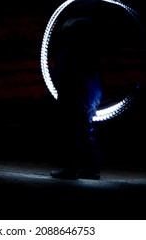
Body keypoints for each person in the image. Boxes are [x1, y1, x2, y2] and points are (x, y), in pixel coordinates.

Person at [50, 16, 104, 180]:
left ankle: (70, 169)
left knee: (71, 131)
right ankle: (91, 169)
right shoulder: (90, 51)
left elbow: (64, 76)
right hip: (88, 95)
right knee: (85, 131)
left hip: (74, 95)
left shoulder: (71, 51)